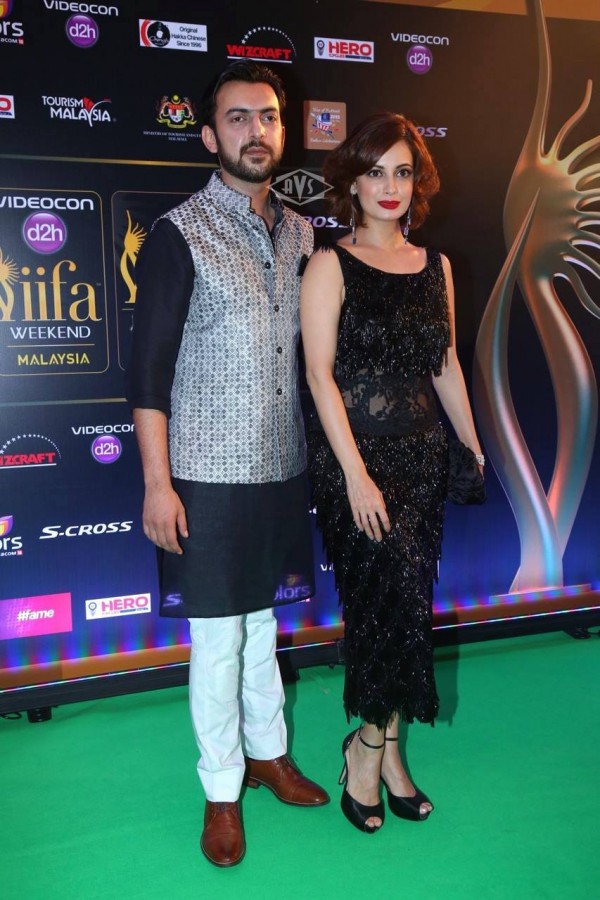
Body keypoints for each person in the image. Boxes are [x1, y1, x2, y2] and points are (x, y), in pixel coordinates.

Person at [126, 61, 329, 868]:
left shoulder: (304, 234)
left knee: (264, 627)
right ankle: (220, 790)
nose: (256, 131)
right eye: (238, 118)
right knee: (217, 642)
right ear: (210, 136)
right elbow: (147, 375)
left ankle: (269, 756)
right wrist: (157, 484)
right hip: (204, 477)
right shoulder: (179, 233)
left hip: (280, 469)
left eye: (268, 116)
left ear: (284, 128)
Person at [300, 112, 484, 833]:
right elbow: (319, 376)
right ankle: (366, 752)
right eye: (375, 171)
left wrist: (472, 446)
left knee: (408, 607)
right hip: (355, 462)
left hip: (421, 458)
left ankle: (389, 755)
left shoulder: (435, 267)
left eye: (403, 172)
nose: (389, 186)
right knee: (380, 605)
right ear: (351, 181)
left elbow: (445, 365)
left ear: (417, 184)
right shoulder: (329, 264)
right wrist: (355, 475)